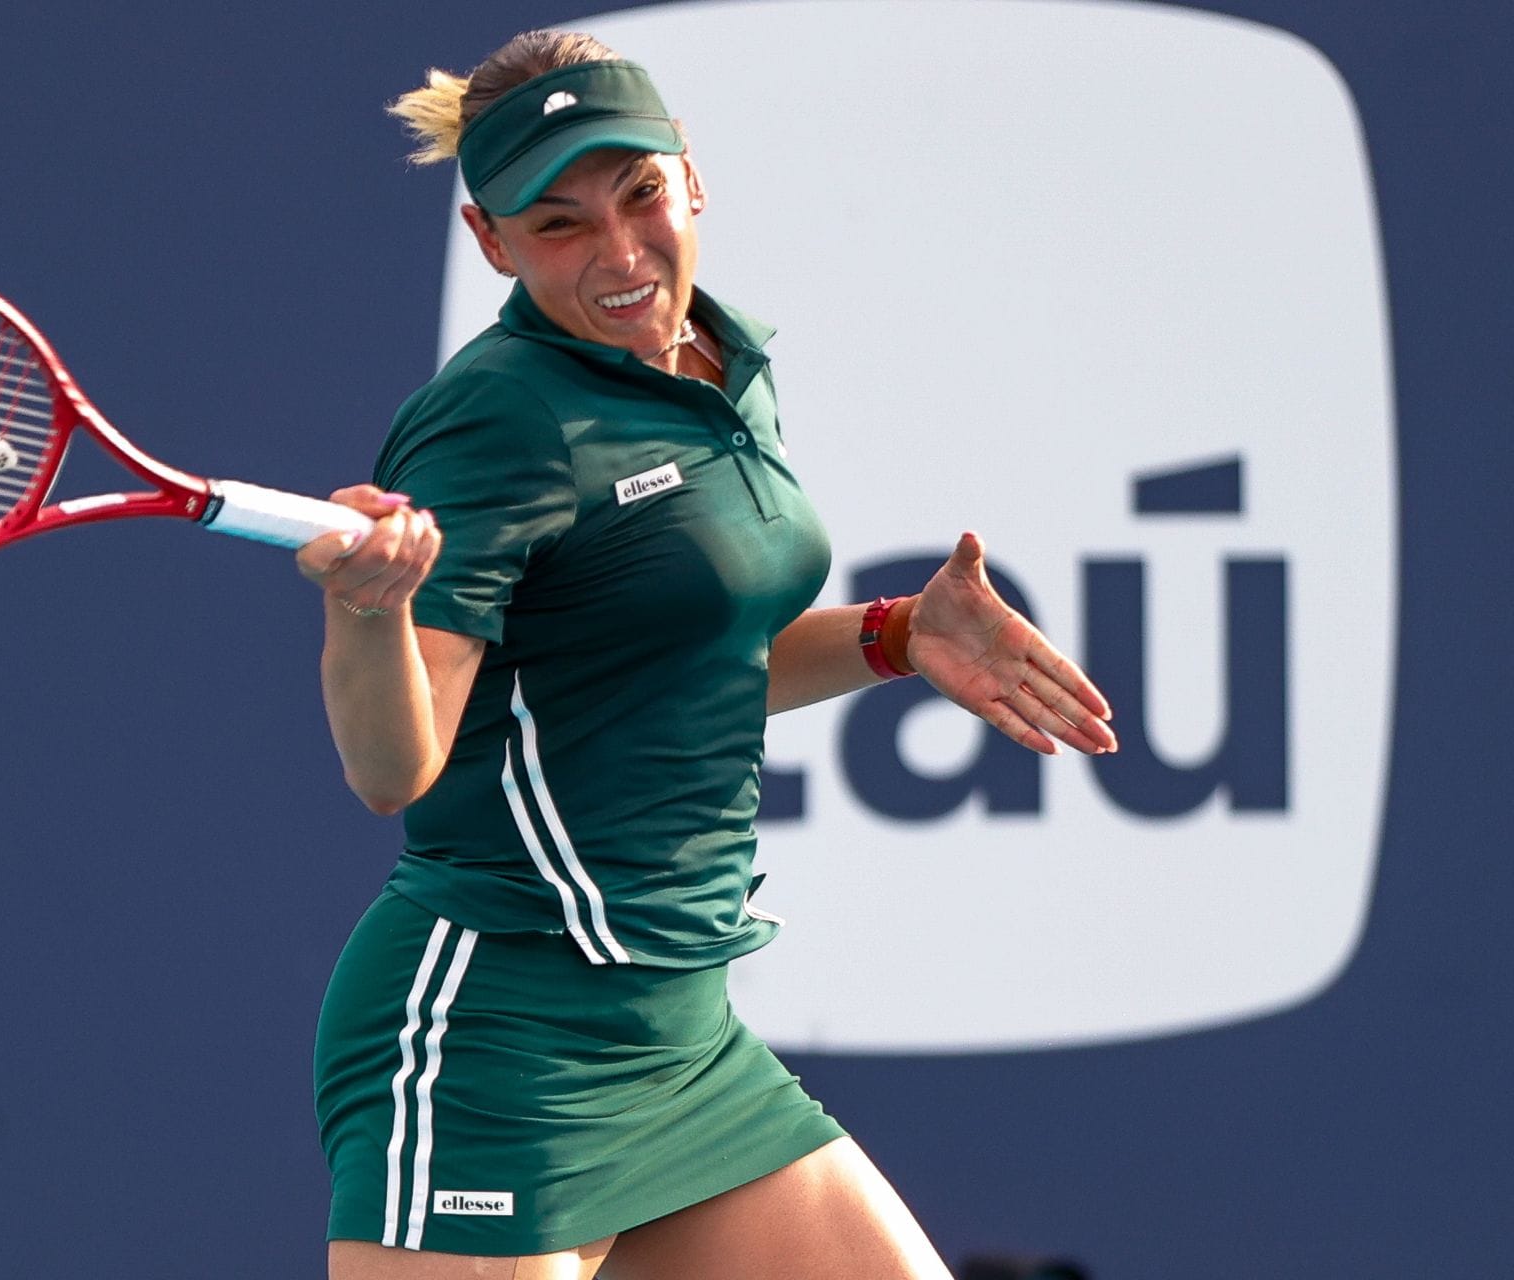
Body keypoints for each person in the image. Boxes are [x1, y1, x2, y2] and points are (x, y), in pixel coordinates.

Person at [294, 29, 1119, 1280]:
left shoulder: (721, 363)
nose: (623, 254)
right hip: (496, 1031)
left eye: (639, 195)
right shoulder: (496, 420)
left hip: (678, 1027)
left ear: (692, 176)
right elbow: (393, 765)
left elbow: (693, 653)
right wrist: (369, 610)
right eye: (560, 223)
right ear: (491, 243)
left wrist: (899, 635)